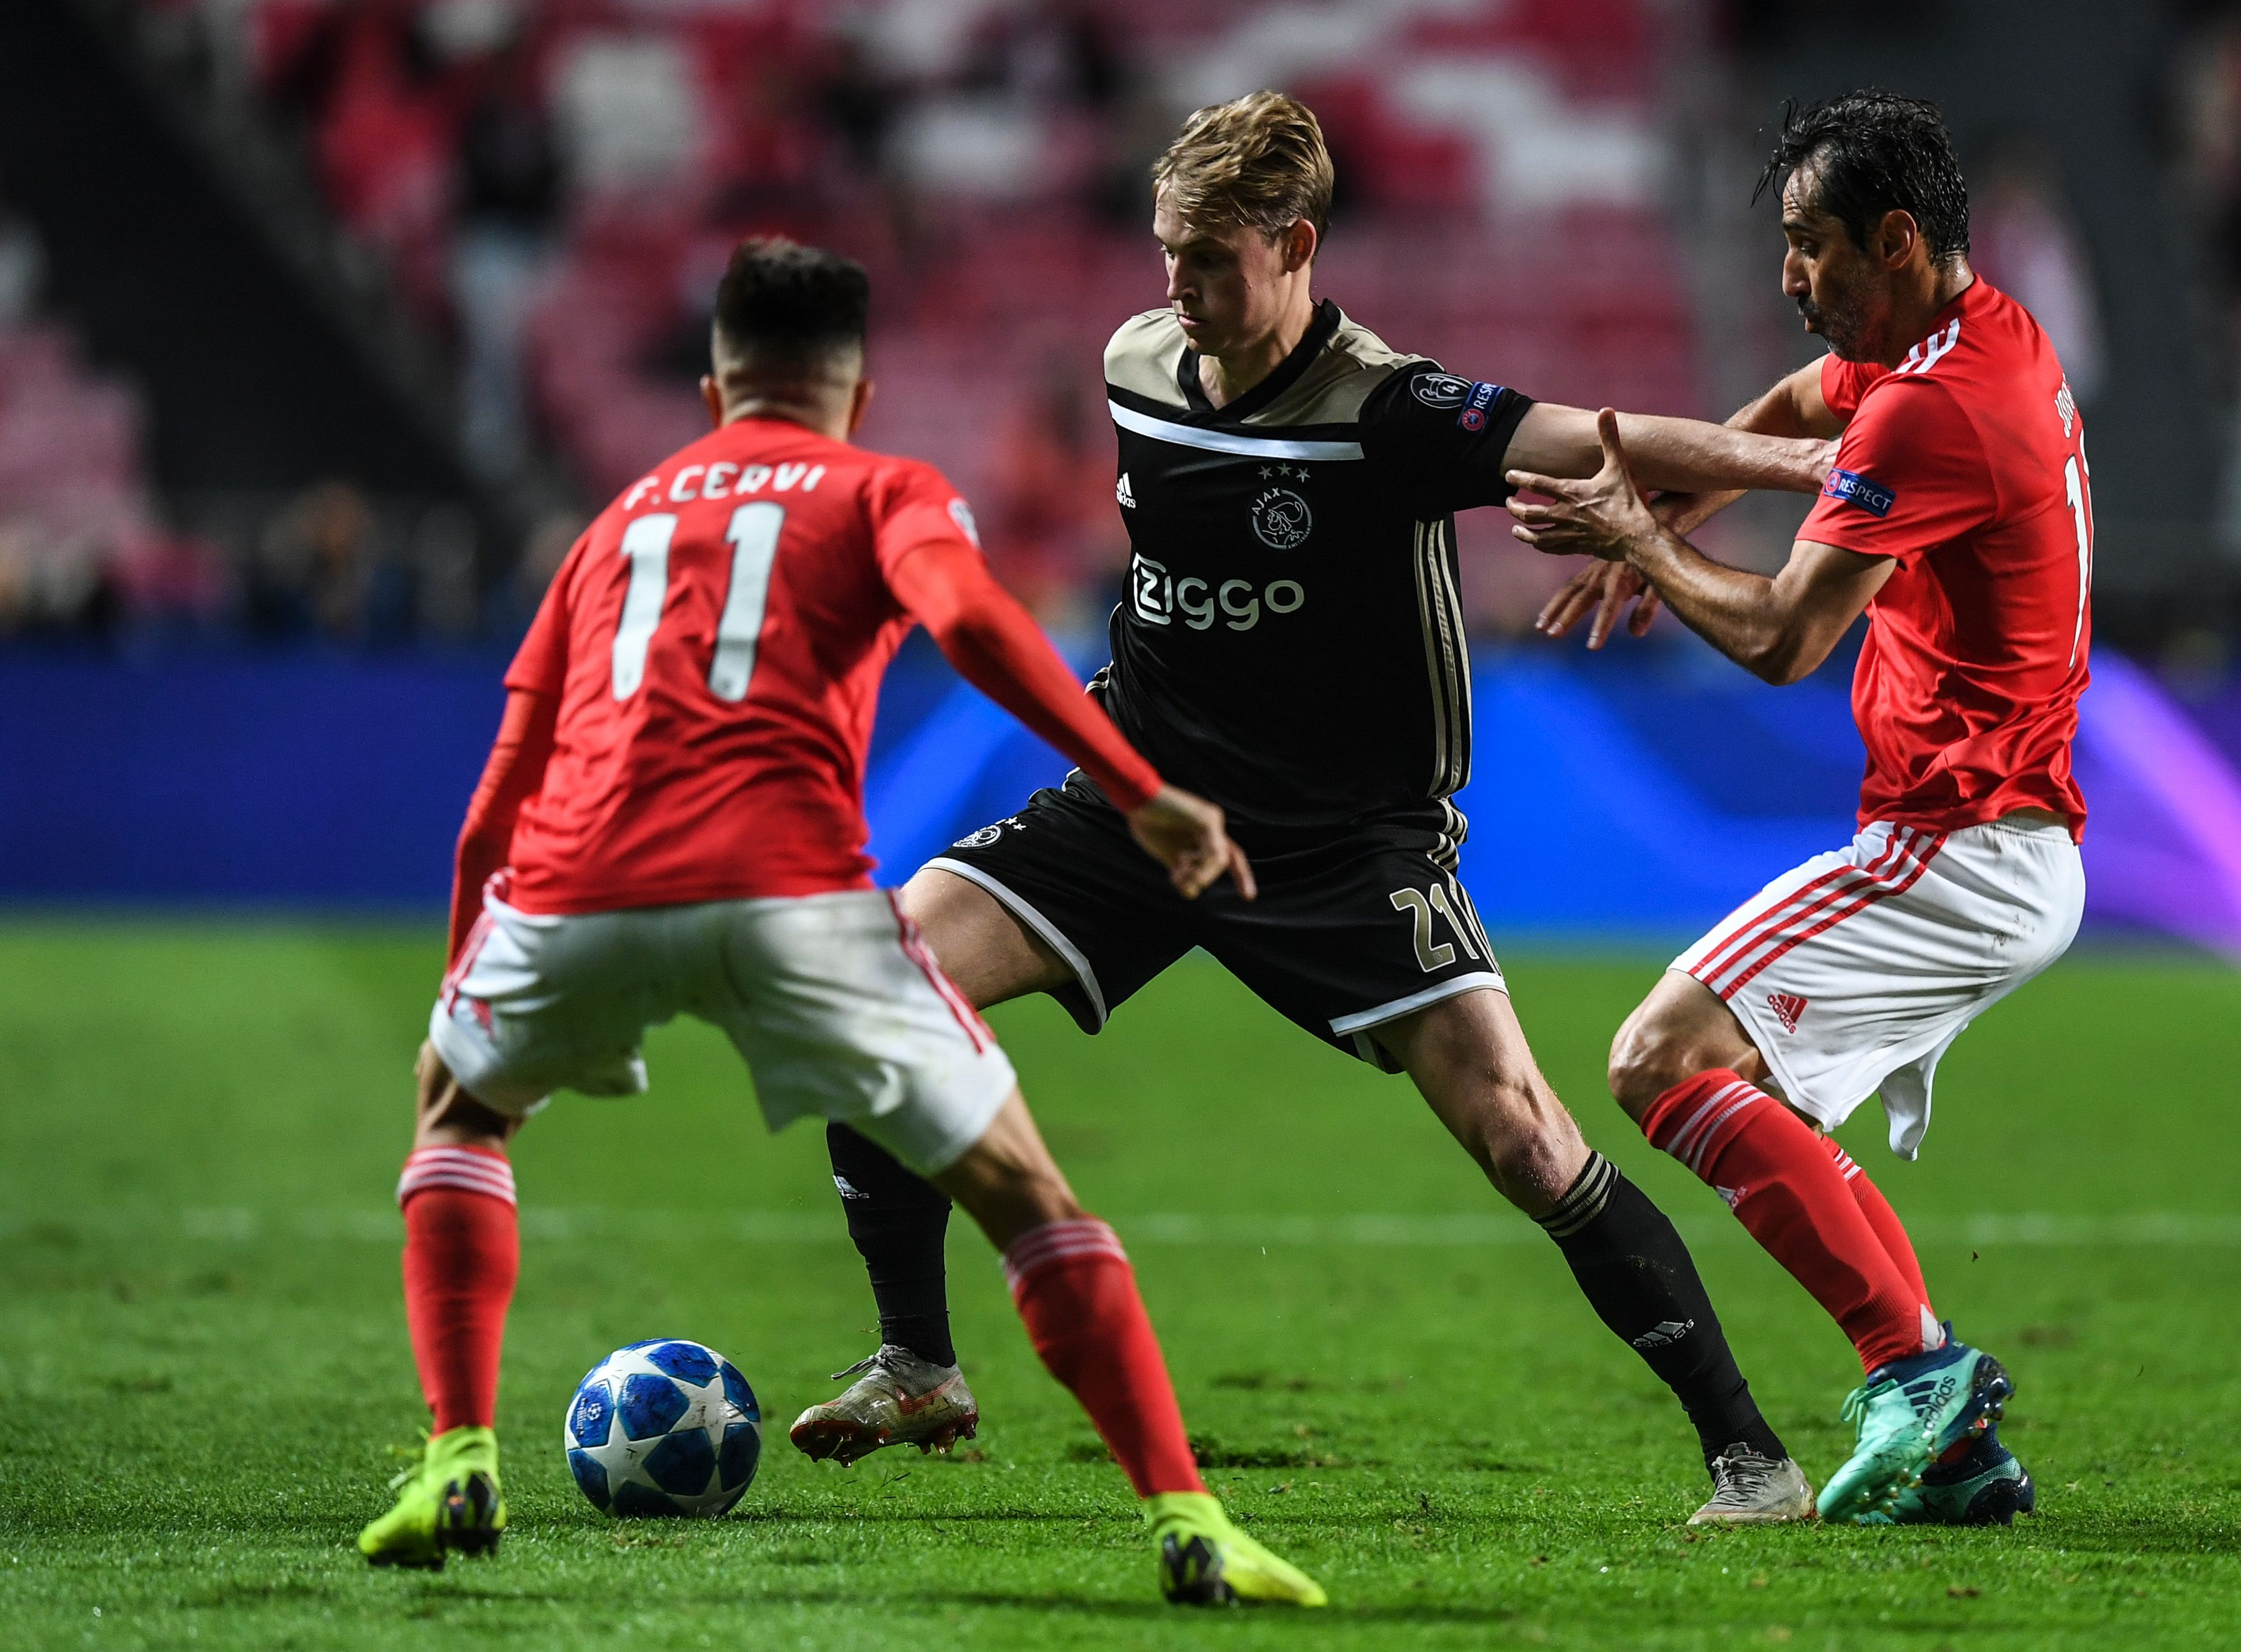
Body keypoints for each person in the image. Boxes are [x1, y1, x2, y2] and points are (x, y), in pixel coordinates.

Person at [796, 91, 1837, 1525]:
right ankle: (918, 1359)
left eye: (1207, 261)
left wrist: (1804, 464)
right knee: (878, 977)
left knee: (1526, 1138)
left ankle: (1751, 1456)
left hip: (1344, 841)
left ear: (1293, 246)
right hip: (1144, 795)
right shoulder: (1138, 362)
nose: (1175, 289)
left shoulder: (1386, 407)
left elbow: (1593, 435)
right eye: (1165, 254)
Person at [356, 237, 1326, 1607]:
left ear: (711, 389)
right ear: (857, 396)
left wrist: (471, 978)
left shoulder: (614, 523)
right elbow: (973, 623)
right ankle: (1186, 1518)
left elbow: (497, 793)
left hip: (578, 886)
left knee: (457, 1112)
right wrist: (1138, 786)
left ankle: (456, 1452)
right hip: (791, 896)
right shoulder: (883, 488)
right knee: (1025, 1198)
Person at [1516, 92, 2090, 1525]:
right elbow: (1785, 411)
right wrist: (1680, 515)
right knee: (1725, 1077)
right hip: (1999, 838)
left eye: (1807, 245)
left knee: (1659, 1056)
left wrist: (1638, 532)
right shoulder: (1975, 341)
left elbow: (1781, 640)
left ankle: (1918, 1374)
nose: (1787, 278)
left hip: (1954, 843)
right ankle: (1945, 1436)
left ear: (1893, 241)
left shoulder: (1935, 404)